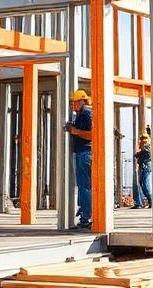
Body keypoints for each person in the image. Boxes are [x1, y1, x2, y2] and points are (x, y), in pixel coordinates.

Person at [66, 89, 92, 228]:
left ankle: (86, 216)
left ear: (81, 101)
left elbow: (91, 134)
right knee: (84, 186)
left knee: (84, 186)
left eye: (74, 102)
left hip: (85, 153)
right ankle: (85, 212)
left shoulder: (86, 114)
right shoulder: (82, 114)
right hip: (84, 153)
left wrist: (74, 131)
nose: (72, 105)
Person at [132, 133, 152, 209]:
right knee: (143, 183)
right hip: (144, 166)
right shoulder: (146, 144)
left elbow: (145, 152)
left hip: (145, 166)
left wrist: (138, 154)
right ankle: (148, 200)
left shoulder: (146, 144)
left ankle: (150, 200)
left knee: (145, 184)